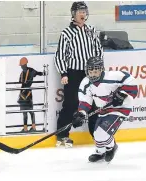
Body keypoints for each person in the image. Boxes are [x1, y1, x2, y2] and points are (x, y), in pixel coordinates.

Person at [54, 1, 103, 148]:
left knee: (94, 103)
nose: (83, 14)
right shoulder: (67, 33)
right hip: (74, 72)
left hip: (91, 72)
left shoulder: (91, 30)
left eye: (84, 11)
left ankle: (97, 134)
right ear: (73, 14)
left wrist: (99, 68)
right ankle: (62, 135)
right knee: (71, 104)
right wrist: (63, 72)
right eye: (80, 11)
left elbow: (99, 50)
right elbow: (60, 55)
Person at [71, 56, 138, 162]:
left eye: (96, 71)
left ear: (101, 69)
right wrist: (81, 114)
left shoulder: (112, 76)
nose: (93, 74)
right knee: (96, 134)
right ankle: (100, 151)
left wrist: (122, 95)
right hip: (103, 109)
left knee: (103, 133)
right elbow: (85, 101)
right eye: (91, 71)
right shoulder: (86, 83)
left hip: (120, 108)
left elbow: (130, 81)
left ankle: (112, 147)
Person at [18, 57, 44, 132]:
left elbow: (38, 73)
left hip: (27, 93)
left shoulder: (31, 71)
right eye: (21, 66)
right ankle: (25, 128)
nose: (22, 67)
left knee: (30, 111)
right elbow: (20, 82)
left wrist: (43, 73)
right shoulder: (22, 73)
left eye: (22, 65)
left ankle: (33, 127)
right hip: (23, 93)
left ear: (25, 64)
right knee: (24, 112)